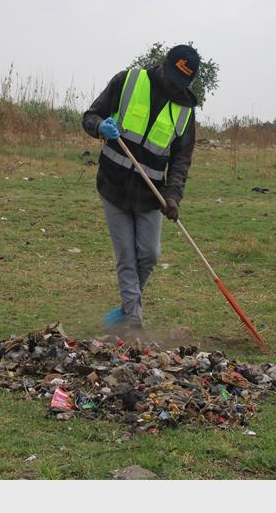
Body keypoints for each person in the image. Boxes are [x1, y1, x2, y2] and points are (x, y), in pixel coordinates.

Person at [82, 44, 200, 333]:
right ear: (164, 64)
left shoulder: (185, 112)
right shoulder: (128, 81)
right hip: (113, 184)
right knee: (126, 255)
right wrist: (100, 126)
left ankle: (125, 309)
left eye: (181, 82)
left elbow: (181, 160)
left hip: (151, 194)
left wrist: (173, 196)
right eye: (172, 77)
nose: (174, 86)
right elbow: (90, 116)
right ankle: (134, 322)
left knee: (149, 254)